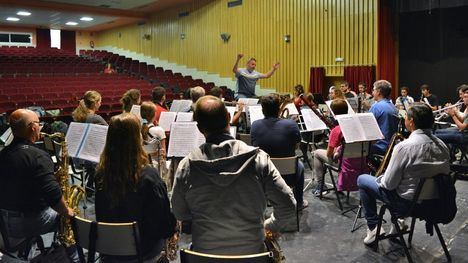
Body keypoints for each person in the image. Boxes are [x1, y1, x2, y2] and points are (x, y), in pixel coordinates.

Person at [171, 95, 296, 255]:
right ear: (229, 118)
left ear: (200, 128)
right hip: (252, 254)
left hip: (206, 255)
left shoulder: (186, 167)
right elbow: (288, 206)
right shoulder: (258, 160)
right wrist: (268, 225)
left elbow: (179, 212)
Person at [357, 103, 450, 245]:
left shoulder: (404, 147)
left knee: (362, 179)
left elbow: (388, 185)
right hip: (434, 204)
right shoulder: (443, 145)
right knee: (405, 182)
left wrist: (380, 177)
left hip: (408, 205)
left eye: (406, 116)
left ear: (411, 122)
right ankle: (398, 224)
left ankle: (374, 227)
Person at [95, 113, 176, 261]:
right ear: (136, 139)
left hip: (110, 250)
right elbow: (164, 225)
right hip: (143, 252)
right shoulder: (149, 176)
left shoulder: (101, 174)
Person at [0, 109, 74, 243]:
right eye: (39, 124)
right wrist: (68, 212)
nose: (40, 128)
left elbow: (21, 180)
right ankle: (73, 255)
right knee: (71, 219)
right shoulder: (38, 155)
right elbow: (53, 196)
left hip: (4, 221)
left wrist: (50, 177)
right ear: (33, 128)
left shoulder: (4, 153)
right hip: (30, 222)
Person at [250, 94, 307, 210]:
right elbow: (296, 147)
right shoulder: (291, 124)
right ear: (279, 108)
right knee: (300, 166)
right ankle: (299, 202)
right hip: (288, 176)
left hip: (263, 175)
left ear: (262, 110)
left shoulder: (255, 125)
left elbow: (255, 147)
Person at [312, 99, 369, 196]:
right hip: (361, 163)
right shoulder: (358, 125)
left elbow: (329, 154)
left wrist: (335, 149)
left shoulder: (337, 129)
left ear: (333, 112)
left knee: (317, 153)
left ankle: (320, 186)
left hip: (344, 164)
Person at [369, 80, 399, 155]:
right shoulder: (393, 107)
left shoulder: (376, 107)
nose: (372, 92)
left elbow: (367, 129)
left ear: (378, 92)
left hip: (379, 147)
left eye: (373, 89)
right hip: (390, 147)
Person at [140, 101, 168, 181]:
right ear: (154, 114)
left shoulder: (138, 129)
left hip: (143, 166)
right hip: (156, 168)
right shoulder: (159, 130)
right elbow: (163, 154)